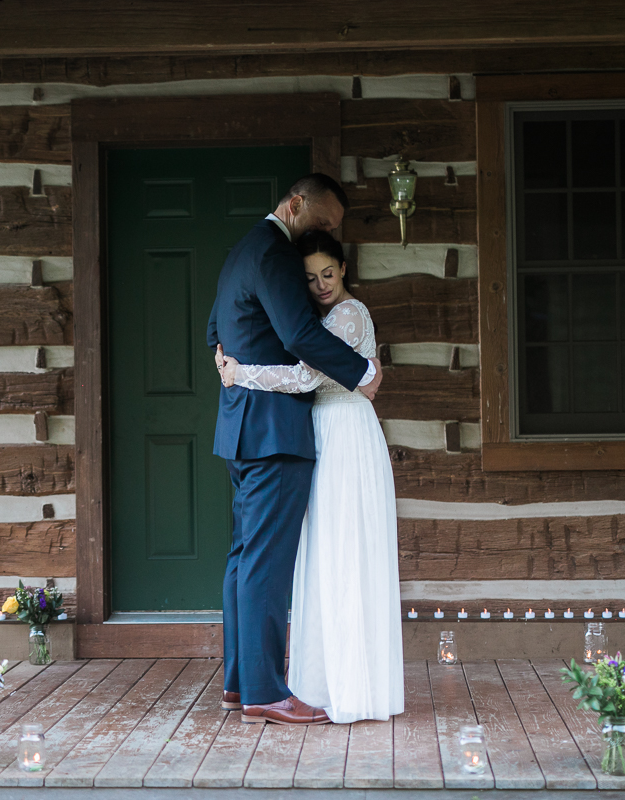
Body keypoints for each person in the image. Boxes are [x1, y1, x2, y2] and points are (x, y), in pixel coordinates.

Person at [206, 174, 383, 726]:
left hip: (240, 427)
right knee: (265, 564)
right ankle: (264, 691)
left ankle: (240, 683)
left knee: (242, 559)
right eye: (324, 221)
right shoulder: (276, 253)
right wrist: (363, 372)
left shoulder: (242, 250)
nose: (326, 232)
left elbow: (215, 327)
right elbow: (301, 333)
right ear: (297, 203)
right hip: (275, 433)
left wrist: (227, 363)